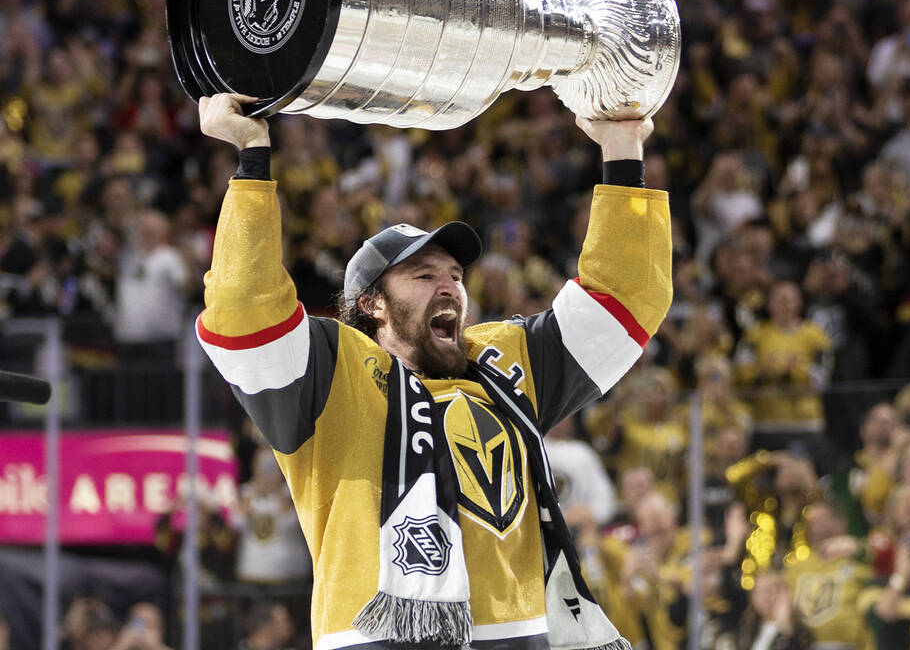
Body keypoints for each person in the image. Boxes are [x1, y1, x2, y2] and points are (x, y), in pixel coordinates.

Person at [194, 93, 672, 650]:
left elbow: (622, 300)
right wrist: (252, 158)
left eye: (454, 274)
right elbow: (243, 315)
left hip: (516, 635)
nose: (449, 285)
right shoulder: (332, 372)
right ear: (372, 304)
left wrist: (621, 148)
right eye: (422, 276)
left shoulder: (502, 362)